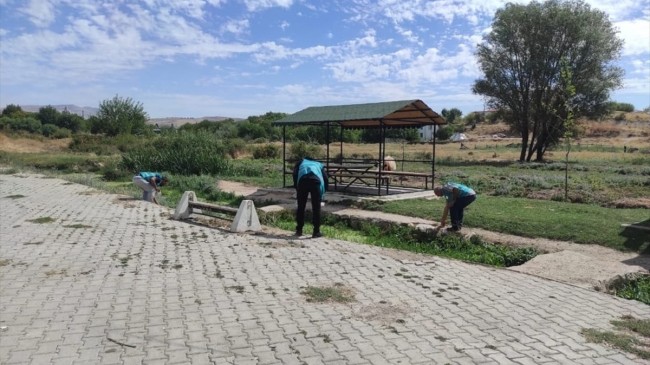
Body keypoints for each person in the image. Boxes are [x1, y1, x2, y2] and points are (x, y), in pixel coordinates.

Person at [292, 157, 329, 238]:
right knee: (316, 208)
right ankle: (316, 232)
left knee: (301, 206)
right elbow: (325, 178)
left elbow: (294, 174)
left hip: (303, 181)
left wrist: (297, 187)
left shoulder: (301, 162)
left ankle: (299, 230)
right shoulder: (318, 164)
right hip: (315, 182)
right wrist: (324, 191)